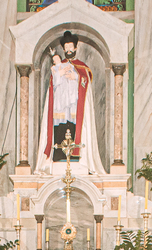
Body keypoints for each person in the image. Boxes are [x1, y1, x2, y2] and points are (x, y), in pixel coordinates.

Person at [36, 31, 106, 175]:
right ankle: (58, 156)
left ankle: (76, 156)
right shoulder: (59, 66)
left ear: (75, 48)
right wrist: (60, 74)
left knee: (74, 127)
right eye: (66, 47)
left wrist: (76, 77)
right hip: (61, 105)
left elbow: (85, 82)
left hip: (75, 106)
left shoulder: (81, 67)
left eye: (70, 46)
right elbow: (53, 85)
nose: (68, 49)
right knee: (60, 128)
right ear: (63, 49)